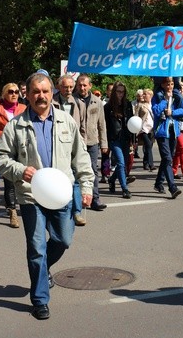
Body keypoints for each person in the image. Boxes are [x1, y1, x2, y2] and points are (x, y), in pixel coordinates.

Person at [0, 71, 94, 320]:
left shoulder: (65, 121)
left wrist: (87, 187)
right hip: (31, 196)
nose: (41, 96)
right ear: (27, 95)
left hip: (62, 194)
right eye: (36, 91)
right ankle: (39, 299)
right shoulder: (16, 125)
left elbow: (80, 157)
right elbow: (0, 158)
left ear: (53, 93)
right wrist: (20, 170)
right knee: (36, 248)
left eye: (45, 91)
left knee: (64, 240)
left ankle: (43, 268)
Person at [0, 83, 27, 228]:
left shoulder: (23, 108)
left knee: (23, 179)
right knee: (9, 181)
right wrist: (2, 134)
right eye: (10, 92)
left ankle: (26, 207)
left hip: (22, 150)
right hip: (5, 150)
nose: (14, 94)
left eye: (16, 92)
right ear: (4, 94)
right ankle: (12, 211)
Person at [54, 75, 86, 226]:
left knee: (76, 178)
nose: (68, 90)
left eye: (71, 87)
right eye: (65, 87)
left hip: (74, 144)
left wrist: (83, 145)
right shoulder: (52, 103)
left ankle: (77, 212)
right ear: (59, 87)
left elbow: (83, 126)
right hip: (58, 145)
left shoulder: (79, 103)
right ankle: (59, 207)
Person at [152, 77, 183, 199]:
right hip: (162, 131)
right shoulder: (157, 96)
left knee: (167, 159)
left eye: (172, 84)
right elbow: (156, 111)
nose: (170, 86)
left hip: (174, 131)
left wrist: (172, 113)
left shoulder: (177, 96)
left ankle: (158, 183)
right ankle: (172, 187)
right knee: (167, 158)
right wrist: (165, 101)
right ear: (162, 84)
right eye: (167, 84)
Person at [75, 75, 108, 211]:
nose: (82, 88)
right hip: (76, 142)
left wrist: (104, 143)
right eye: (80, 85)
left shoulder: (97, 101)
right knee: (76, 171)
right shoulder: (72, 100)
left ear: (90, 86)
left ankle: (95, 198)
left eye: (85, 85)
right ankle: (77, 199)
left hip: (92, 141)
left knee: (93, 170)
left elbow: (102, 124)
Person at [104, 82, 135, 198]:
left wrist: (133, 139)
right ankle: (124, 188)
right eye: (118, 91)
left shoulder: (128, 105)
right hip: (114, 138)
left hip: (125, 137)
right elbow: (104, 125)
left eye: (122, 92)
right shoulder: (107, 107)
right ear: (114, 92)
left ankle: (112, 180)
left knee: (124, 163)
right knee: (121, 162)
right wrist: (104, 141)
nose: (120, 94)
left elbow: (132, 123)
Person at [134, 89, 155, 172]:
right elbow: (136, 116)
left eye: (145, 94)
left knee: (149, 146)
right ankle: (151, 164)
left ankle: (145, 163)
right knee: (148, 145)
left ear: (150, 95)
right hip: (143, 128)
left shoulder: (153, 105)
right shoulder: (140, 105)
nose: (143, 96)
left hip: (152, 128)